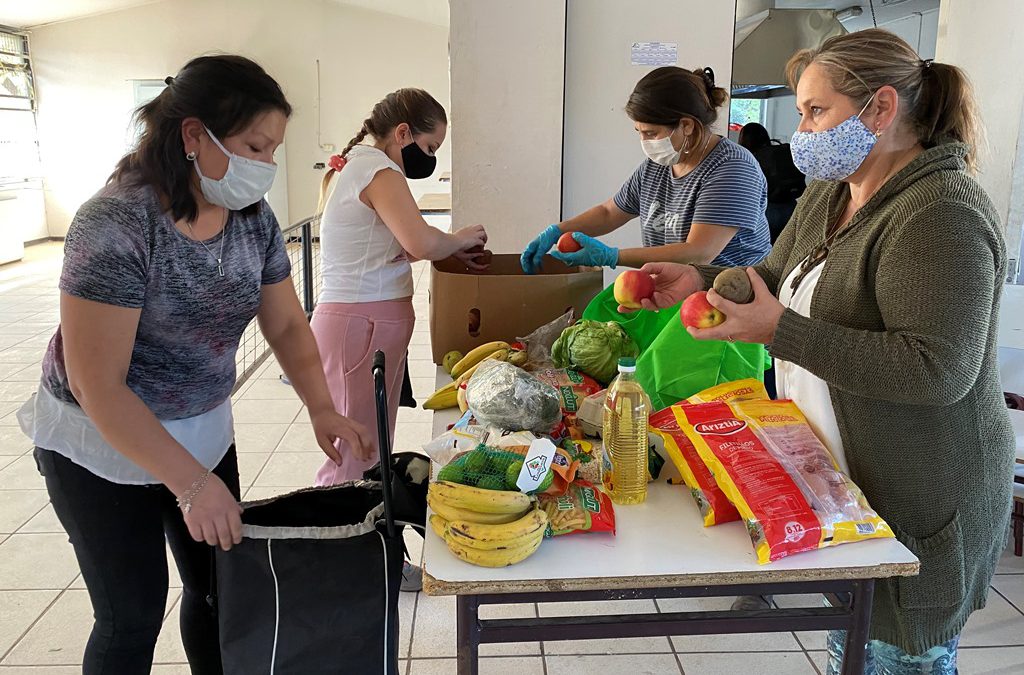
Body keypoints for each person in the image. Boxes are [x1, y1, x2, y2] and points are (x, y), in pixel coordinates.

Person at [625, 29, 1014, 675]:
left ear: (881, 109)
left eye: (815, 111)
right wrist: (699, 284)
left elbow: (937, 369)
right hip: (848, 476)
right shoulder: (835, 192)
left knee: (895, 654)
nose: (800, 130)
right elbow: (772, 276)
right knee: (851, 645)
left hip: (920, 488)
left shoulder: (940, 212)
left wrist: (782, 332)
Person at [16, 55, 372, 675]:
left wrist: (322, 407)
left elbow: (285, 322)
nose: (264, 165)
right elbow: (95, 383)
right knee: (131, 614)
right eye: (253, 146)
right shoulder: (115, 224)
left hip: (200, 427)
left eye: (273, 149)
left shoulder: (250, 219)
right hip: (99, 443)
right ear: (192, 135)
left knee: (218, 591)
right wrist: (190, 486)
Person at [310, 89, 487, 590]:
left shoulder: (362, 168)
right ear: (403, 133)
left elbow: (388, 248)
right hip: (359, 324)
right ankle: (352, 563)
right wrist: (460, 238)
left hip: (364, 322)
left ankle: (365, 555)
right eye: (429, 148)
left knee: (367, 442)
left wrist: (442, 249)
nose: (429, 159)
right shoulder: (378, 172)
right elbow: (420, 242)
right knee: (355, 449)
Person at [521, 66, 770, 273]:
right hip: (675, 297)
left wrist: (611, 256)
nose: (645, 142)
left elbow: (699, 252)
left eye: (651, 133)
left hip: (729, 305)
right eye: (639, 132)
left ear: (686, 125)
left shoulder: (733, 169)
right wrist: (557, 231)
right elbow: (610, 212)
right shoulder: (657, 167)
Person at [737, 122, 806, 243]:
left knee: (767, 252)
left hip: (767, 209)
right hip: (792, 206)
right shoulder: (782, 151)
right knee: (788, 247)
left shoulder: (750, 159)